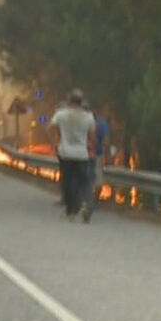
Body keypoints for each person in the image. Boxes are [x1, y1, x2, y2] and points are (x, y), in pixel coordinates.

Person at [49, 89, 96, 222]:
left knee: (68, 182)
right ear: (81, 101)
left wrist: (55, 142)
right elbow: (92, 135)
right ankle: (85, 204)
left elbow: (51, 127)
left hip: (65, 153)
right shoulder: (88, 116)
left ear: (69, 100)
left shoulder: (61, 115)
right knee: (83, 181)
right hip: (82, 154)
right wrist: (90, 146)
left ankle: (71, 211)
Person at [84, 102, 110, 218]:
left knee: (94, 179)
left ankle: (92, 201)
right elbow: (106, 141)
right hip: (89, 154)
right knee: (95, 178)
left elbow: (105, 141)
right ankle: (92, 201)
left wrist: (106, 155)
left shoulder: (100, 123)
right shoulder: (98, 122)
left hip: (92, 155)